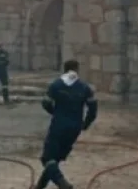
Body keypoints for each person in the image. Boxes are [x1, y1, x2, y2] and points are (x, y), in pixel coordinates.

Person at [36, 59, 98, 189]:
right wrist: (85, 124)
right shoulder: (85, 87)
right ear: (77, 70)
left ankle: (63, 185)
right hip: (74, 128)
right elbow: (93, 110)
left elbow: (45, 103)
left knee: (47, 159)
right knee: (55, 160)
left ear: (64, 70)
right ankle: (39, 187)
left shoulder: (56, 85)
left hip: (59, 125)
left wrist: (55, 112)